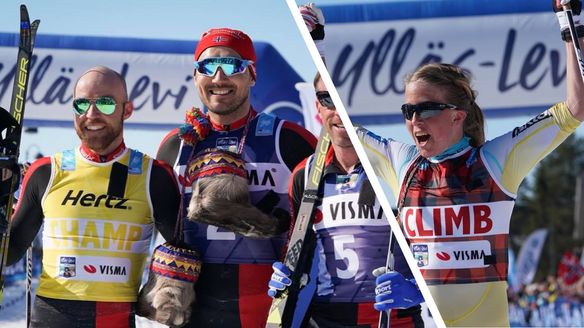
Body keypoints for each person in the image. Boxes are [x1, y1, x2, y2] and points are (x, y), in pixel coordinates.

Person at [356, 1, 584, 326]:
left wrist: (569, 24)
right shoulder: (402, 162)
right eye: (408, 111)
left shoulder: (495, 161)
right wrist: (317, 45)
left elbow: (576, 107)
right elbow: (338, 122)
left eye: (426, 109)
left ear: (457, 115)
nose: (414, 120)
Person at [156, 28, 317, 327]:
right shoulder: (175, 145)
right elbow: (162, 223)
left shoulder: (290, 139)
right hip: (195, 309)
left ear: (252, 75)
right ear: (195, 76)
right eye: (207, 67)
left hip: (267, 307)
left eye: (231, 65)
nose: (218, 78)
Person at [6, 66, 180, 328]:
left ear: (127, 110)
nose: (91, 114)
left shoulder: (154, 176)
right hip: (51, 317)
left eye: (106, 104)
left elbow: (188, 250)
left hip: (117, 318)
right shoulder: (45, 172)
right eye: (81, 104)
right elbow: (8, 254)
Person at [268, 72, 425, 328]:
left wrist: (416, 288)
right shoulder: (305, 174)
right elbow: (295, 248)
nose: (339, 113)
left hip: (393, 317)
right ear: (317, 105)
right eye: (328, 99)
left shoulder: (398, 167)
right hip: (325, 317)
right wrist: (284, 275)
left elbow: (433, 245)